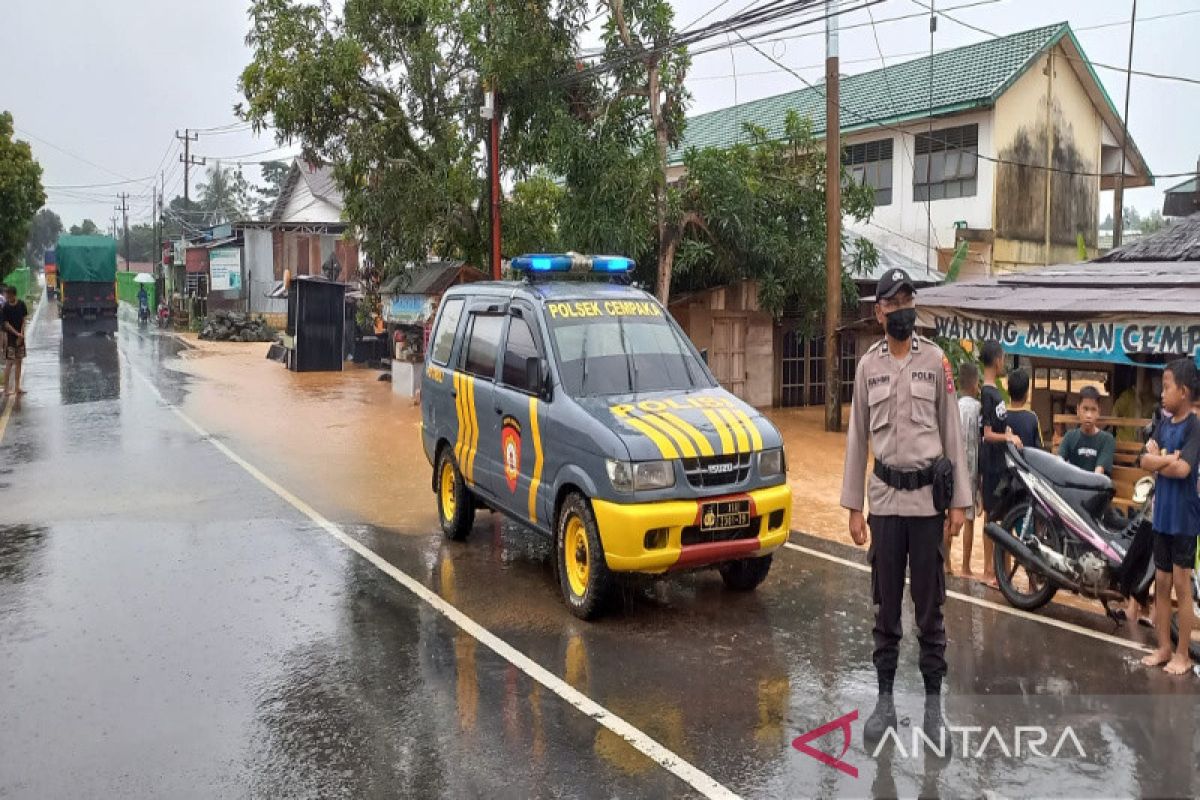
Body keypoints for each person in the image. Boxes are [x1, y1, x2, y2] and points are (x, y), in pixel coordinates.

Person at [841, 268, 972, 752]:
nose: (903, 310)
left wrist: (960, 502)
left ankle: (934, 712)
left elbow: (952, 433)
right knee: (885, 607)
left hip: (927, 506)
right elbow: (857, 437)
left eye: (908, 301)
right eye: (894, 304)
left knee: (931, 611)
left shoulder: (936, 362)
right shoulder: (867, 367)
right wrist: (854, 506)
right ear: (879, 312)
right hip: (885, 505)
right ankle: (885, 704)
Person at [1136, 358, 1200, 676]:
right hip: (1160, 516)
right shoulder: (1164, 422)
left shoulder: (1194, 426)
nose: (1162, 394)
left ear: (1184, 392)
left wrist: (1159, 459)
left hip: (1184, 518)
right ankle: (1163, 646)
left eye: (1167, 387)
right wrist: (1163, 460)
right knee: (1160, 582)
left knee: (1181, 584)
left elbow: (1183, 468)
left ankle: (1183, 653)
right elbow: (1143, 459)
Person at [979, 340, 1019, 589]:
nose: (1004, 362)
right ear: (996, 361)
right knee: (991, 518)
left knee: (1001, 516)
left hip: (1000, 464)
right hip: (991, 465)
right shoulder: (987, 393)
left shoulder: (995, 392)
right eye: (1003, 358)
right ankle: (988, 569)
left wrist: (1009, 432)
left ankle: (1001, 571)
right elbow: (986, 433)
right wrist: (1006, 436)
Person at [948, 361, 982, 576]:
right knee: (968, 518)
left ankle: (946, 563)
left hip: (951, 467)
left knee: (948, 514)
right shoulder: (978, 409)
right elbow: (978, 442)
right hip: (970, 469)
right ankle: (966, 566)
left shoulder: (953, 406)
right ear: (976, 383)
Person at [1059, 386, 1116, 475]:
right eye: (1085, 409)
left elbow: (1099, 472)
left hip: (1095, 486)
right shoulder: (1069, 436)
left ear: (1098, 412)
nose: (1088, 415)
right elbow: (1059, 462)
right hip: (1072, 484)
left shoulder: (1107, 440)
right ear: (1078, 410)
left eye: (1093, 410)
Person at [1004, 368, 1044, 451]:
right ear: (1027, 393)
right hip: (1025, 463)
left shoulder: (1001, 416)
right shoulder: (1032, 418)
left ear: (1008, 391)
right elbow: (1039, 450)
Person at [2, 285, 29, 397]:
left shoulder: (21, 304)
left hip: (20, 338)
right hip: (11, 339)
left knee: (19, 362)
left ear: (13, 294)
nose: (6, 296)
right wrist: (17, 334)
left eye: (8, 294)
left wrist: (22, 334)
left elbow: (24, 319)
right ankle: (6, 389)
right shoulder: (5, 307)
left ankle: (17, 387)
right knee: (9, 363)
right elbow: (6, 324)